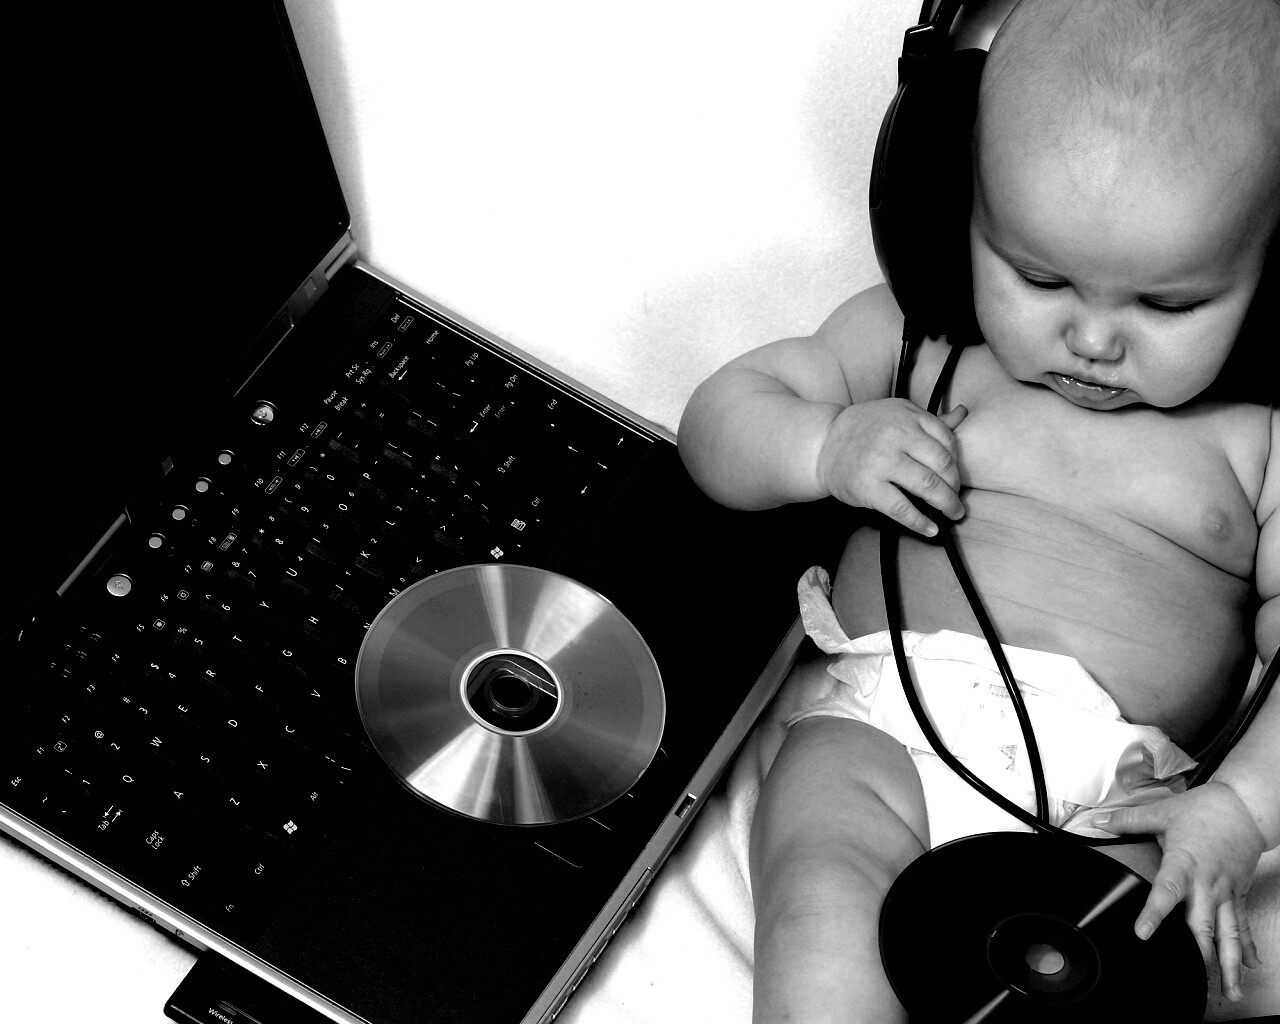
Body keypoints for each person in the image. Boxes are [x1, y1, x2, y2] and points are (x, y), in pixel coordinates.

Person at [676, 0, 1279, 1019]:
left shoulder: (1256, 441)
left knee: (1139, 973)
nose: (1093, 339)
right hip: (882, 735)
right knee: (822, 902)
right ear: (955, 209)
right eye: (1038, 276)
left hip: (1120, 800)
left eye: (1168, 303)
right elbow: (718, 425)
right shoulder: (921, 345)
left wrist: (1241, 806)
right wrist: (824, 443)